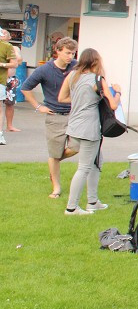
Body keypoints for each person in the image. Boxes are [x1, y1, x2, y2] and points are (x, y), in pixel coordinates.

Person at [58, 48, 121, 216]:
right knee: (84, 167)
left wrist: (81, 99)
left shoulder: (72, 76)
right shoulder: (98, 79)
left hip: (74, 126)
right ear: (95, 62)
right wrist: (118, 91)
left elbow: (61, 98)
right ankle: (72, 208)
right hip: (89, 128)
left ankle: (93, 201)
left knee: (97, 161)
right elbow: (113, 105)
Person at [21, 37, 79, 198]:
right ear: (58, 51)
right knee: (54, 153)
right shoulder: (44, 70)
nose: (70, 57)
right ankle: (56, 188)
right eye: (67, 53)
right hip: (55, 116)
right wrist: (38, 106)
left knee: (76, 147)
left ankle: (54, 162)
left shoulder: (76, 66)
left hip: (74, 114)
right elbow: (25, 88)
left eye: (73, 53)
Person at [0, 28, 21, 144]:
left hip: (7, 80)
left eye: (4, 34)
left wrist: (3, 63)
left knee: (9, 103)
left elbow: (17, 60)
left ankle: (8, 127)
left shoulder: (11, 47)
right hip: (3, 80)